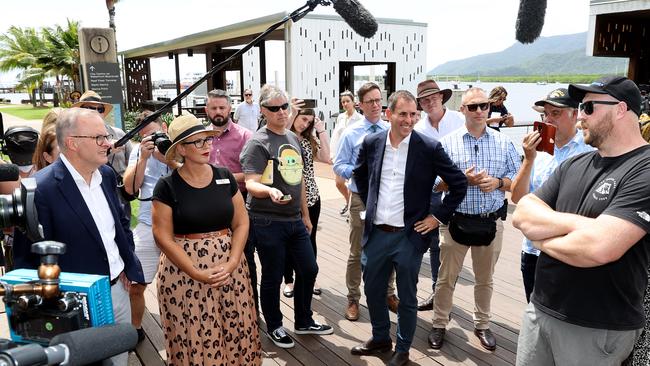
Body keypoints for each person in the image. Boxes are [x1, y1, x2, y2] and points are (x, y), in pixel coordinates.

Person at [513, 75, 650, 366]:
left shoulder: (644, 169)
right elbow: (523, 211)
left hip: (598, 327)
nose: (579, 118)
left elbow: (599, 249)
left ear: (621, 109)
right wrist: (585, 226)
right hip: (540, 310)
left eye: (588, 108)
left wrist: (540, 236)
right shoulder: (574, 164)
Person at [13, 108, 144, 366]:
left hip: (118, 291)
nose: (108, 143)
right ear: (72, 143)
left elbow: (120, 225)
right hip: (74, 303)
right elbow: (27, 259)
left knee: (118, 361)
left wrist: (127, 264)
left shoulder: (106, 175)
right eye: (98, 138)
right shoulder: (40, 189)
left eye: (105, 136)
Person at [350, 90, 467, 366]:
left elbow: (458, 183)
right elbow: (359, 173)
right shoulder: (372, 141)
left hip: (409, 236)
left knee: (407, 296)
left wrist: (436, 217)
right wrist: (371, 204)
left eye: (414, 114)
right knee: (373, 290)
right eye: (403, 114)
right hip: (377, 233)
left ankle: (402, 349)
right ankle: (380, 338)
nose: (409, 119)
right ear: (389, 114)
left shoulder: (428, 147)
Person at [152, 114, 261, 365]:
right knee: (193, 334)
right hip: (184, 273)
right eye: (198, 142)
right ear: (180, 148)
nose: (206, 147)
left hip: (229, 269)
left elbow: (242, 222)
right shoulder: (167, 186)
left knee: (236, 327)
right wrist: (195, 271)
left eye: (207, 141)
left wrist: (234, 261)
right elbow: (162, 236)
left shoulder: (224, 176)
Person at [240, 84, 333, 349]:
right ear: (263, 111)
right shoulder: (258, 142)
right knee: (272, 275)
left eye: (285, 107)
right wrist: (268, 191)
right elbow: (251, 183)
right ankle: (275, 326)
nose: (282, 112)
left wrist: (305, 214)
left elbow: (300, 180)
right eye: (275, 108)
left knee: (309, 268)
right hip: (266, 220)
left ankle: (303, 320)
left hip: (294, 219)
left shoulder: (292, 139)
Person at [428, 87, 520, 352]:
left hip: (490, 221)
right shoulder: (447, 143)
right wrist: (461, 180)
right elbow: (435, 184)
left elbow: (519, 181)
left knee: (485, 279)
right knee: (446, 278)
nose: (479, 111)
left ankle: (482, 324)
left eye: (484, 106)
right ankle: (439, 323)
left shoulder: (504, 143)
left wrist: (500, 182)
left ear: (489, 108)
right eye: (473, 107)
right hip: (455, 220)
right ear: (462, 110)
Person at [510, 88, 593, 302]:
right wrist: (528, 159)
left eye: (556, 113)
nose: (548, 119)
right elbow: (518, 198)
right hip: (533, 250)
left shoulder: (591, 151)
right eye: (545, 114)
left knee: (568, 314)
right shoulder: (537, 152)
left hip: (571, 249)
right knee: (534, 311)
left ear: (575, 114)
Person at [333, 82, 399, 321]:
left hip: (387, 199)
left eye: (378, 100)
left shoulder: (390, 130)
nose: (375, 105)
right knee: (356, 251)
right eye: (369, 101)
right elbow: (338, 165)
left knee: (388, 247)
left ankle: (389, 293)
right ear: (360, 105)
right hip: (361, 198)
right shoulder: (351, 133)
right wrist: (362, 171)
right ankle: (353, 298)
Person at [412, 79, 465, 311]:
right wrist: (437, 183)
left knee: (455, 247)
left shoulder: (460, 121)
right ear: (420, 104)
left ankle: (446, 299)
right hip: (433, 193)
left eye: (434, 97)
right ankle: (437, 294)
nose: (430, 101)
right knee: (436, 246)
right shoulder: (418, 128)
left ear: (442, 97)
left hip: (462, 192)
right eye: (425, 99)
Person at [123, 111, 173, 343]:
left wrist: (169, 159)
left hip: (179, 226)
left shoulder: (180, 145)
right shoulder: (138, 151)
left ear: (164, 126)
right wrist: (143, 158)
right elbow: (131, 189)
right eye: (146, 137)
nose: (152, 140)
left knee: (179, 285)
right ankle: (135, 328)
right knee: (136, 283)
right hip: (147, 223)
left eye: (154, 134)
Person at [282, 108, 331, 298]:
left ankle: (311, 276)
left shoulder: (309, 141)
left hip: (311, 196)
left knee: (310, 239)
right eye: (302, 119)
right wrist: (291, 115)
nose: (304, 124)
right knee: (287, 240)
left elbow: (327, 158)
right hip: (288, 196)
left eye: (308, 122)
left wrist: (321, 130)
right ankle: (288, 280)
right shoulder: (284, 137)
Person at [73, 90, 134, 219]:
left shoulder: (119, 134)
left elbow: (133, 162)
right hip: (92, 193)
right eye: (89, 108)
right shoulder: (74, 137)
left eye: (99, 109)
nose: (95, 112)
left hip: (119, 193)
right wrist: (107, 150)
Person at [206, 89, 252, 200]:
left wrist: (224, 177)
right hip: (208, 196)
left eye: (222, 108)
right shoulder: (201, 136)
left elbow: (254, 173)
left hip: (237, 196)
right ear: (206, 110)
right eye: (213, 108)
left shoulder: (245, 136)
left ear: (229, 110)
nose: (218, 112)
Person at [331, 90, 362, 216]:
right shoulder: (340, 117)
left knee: (352, 183)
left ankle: (351, 207)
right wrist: (333, 154)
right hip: (342, 155)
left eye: (347, 101)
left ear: (353, 102)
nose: (345, 104)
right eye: (343, 102)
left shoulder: (360, 119)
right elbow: (335, 136)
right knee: (339, 183)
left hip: (354, 156)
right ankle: (348, 201)